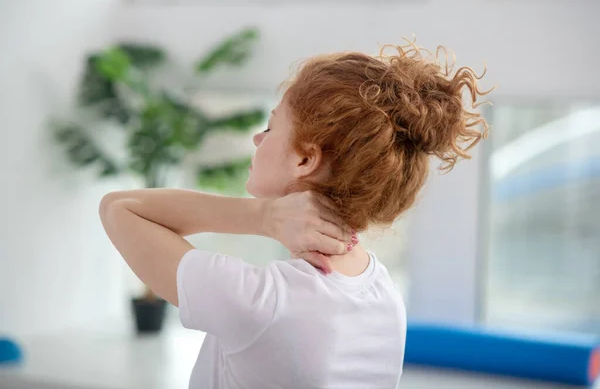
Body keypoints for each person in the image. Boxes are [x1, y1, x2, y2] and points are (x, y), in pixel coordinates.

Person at [99, 41, 490, 389]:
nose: (257, 138)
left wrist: (264, 216)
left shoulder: (262, 302)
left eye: (270, 127)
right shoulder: (384, 296)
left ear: (305, 158)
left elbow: (119, 208)